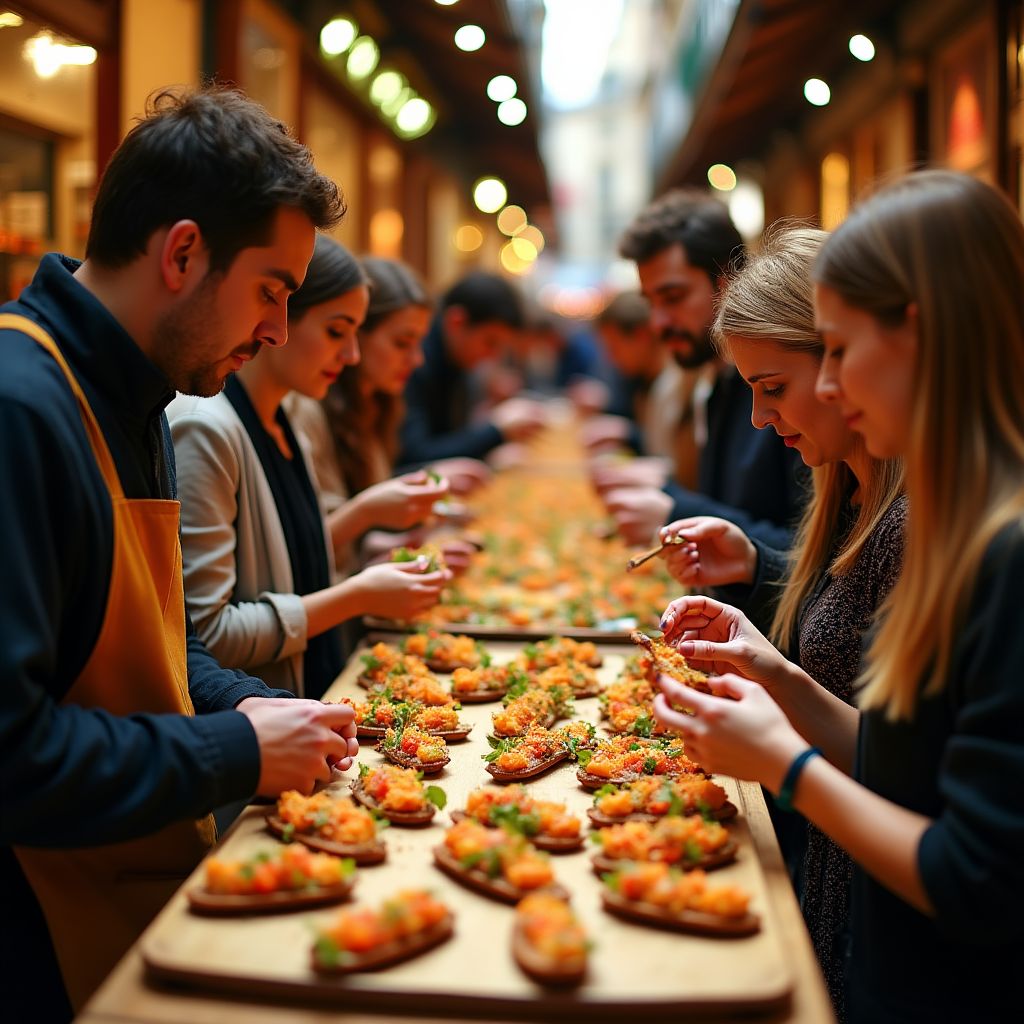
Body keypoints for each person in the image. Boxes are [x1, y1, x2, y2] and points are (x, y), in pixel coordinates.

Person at [0, 86, 361, 1018]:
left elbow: (153, 652)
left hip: (137, 899)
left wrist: (266, 710)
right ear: (184, 252)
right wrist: (234, 745)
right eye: (273, 291)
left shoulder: (145, 386)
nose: (279, 329)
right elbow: (14, 755)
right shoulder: (19, 408)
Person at [653, 171, 1024, 1022]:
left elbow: (975, 877)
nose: (829, 390)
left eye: (841, 351)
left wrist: (786, 765)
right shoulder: (948, 514)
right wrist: (777, 679)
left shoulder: (997, 548)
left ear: (919, 337)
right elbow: (903, 762)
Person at [658, 225, 905, 1018]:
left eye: (775, 386)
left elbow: (934, 809)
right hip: (838, 911)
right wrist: (770, 666)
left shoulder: (930, 524)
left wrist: (782, 759)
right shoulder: (846, 491)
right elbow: (880, 736)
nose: (762, 418)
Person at [170, 237, 451, 701]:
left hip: (309, 701)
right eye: (336, 332)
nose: (351, 357)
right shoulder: (207, 428)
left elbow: (301, 569)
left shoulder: (286, 422)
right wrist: (358, 594)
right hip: (256, 718)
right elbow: (207, 636)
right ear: (282, 320)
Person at [596, 189, 804, 548]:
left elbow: (817, 558)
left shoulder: (791, 381)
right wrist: (664, 490)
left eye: (673, 298)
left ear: (727, 282)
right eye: (651, 303)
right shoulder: (716, 379)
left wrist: (674, 510)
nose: (657, 323)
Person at [396, 270, 548, 467]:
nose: (493, 356)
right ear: (456, 321)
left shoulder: (456, 361)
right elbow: (415, 457)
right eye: (490, 342)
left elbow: (452, 438)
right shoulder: (415, 362)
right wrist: (496, 430)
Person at [584, 290, 691, 477]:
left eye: (614, 348)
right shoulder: (644, 382)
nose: (611, 359)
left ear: (641, 335)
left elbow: (680, 471)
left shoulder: (676, 384)